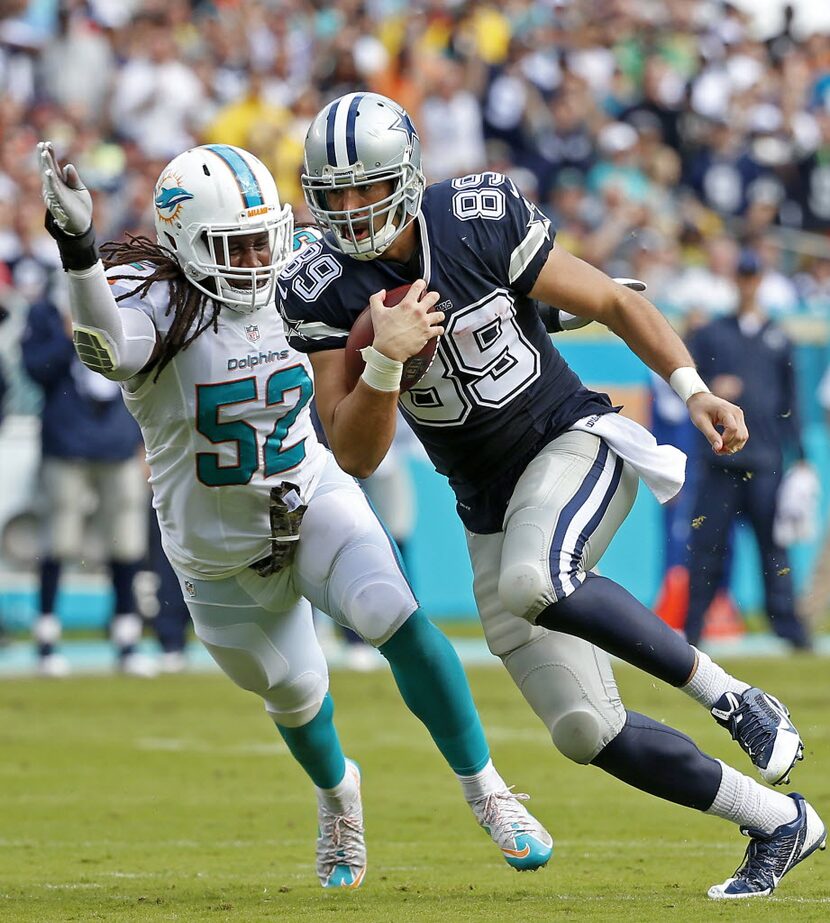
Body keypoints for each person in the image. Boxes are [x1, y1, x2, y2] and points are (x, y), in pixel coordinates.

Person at [280, 92, 827, 899]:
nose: (354, 208)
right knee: (584, 728)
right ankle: (782, 821)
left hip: (571, 441)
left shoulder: (476, 214)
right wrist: (384, 365)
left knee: (538, 579)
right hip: (485, 503)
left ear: (407, 174)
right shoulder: (322, 285)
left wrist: (693, 388)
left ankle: (736, 696)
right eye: (338, 192)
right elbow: (355, 452)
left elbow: (611, 297)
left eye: (368, 187)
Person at [37, 139, 552, 890]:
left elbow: (420, 289)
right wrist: (79, 251)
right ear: (184, 242)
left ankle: (490, 792)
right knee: (297, 697)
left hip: (309, 495)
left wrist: (540, 306)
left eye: (263, 237)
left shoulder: (302, 267)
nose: (255, 257)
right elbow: (104, 349)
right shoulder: (151, 295)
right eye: (234, 244)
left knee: (400, 621)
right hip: (216, 551)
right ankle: (339, 794)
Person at [20, 285, 154, 677]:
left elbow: (144, 370)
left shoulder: (126, 302)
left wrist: (142, 439)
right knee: (58, 540)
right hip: (67, 444)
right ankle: (46, 637)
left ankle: (126, 638)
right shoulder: (47, 309)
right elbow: (35, 371)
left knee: (127, 543)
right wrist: (66, 335)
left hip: (116, 442)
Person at [686, 249, 813, 649]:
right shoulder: (712, 333)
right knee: (708, 549)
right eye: (742, 276)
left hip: (765, 463)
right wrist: (710, 388)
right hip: (721, 460)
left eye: (753, 276)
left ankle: (788, 627)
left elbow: (790, 402)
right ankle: (694, 628)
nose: (747, 283)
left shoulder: (778, 337)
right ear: (735, 280)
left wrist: (801, 456)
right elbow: (688, 383)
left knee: (773, 550)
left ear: (761, 280)